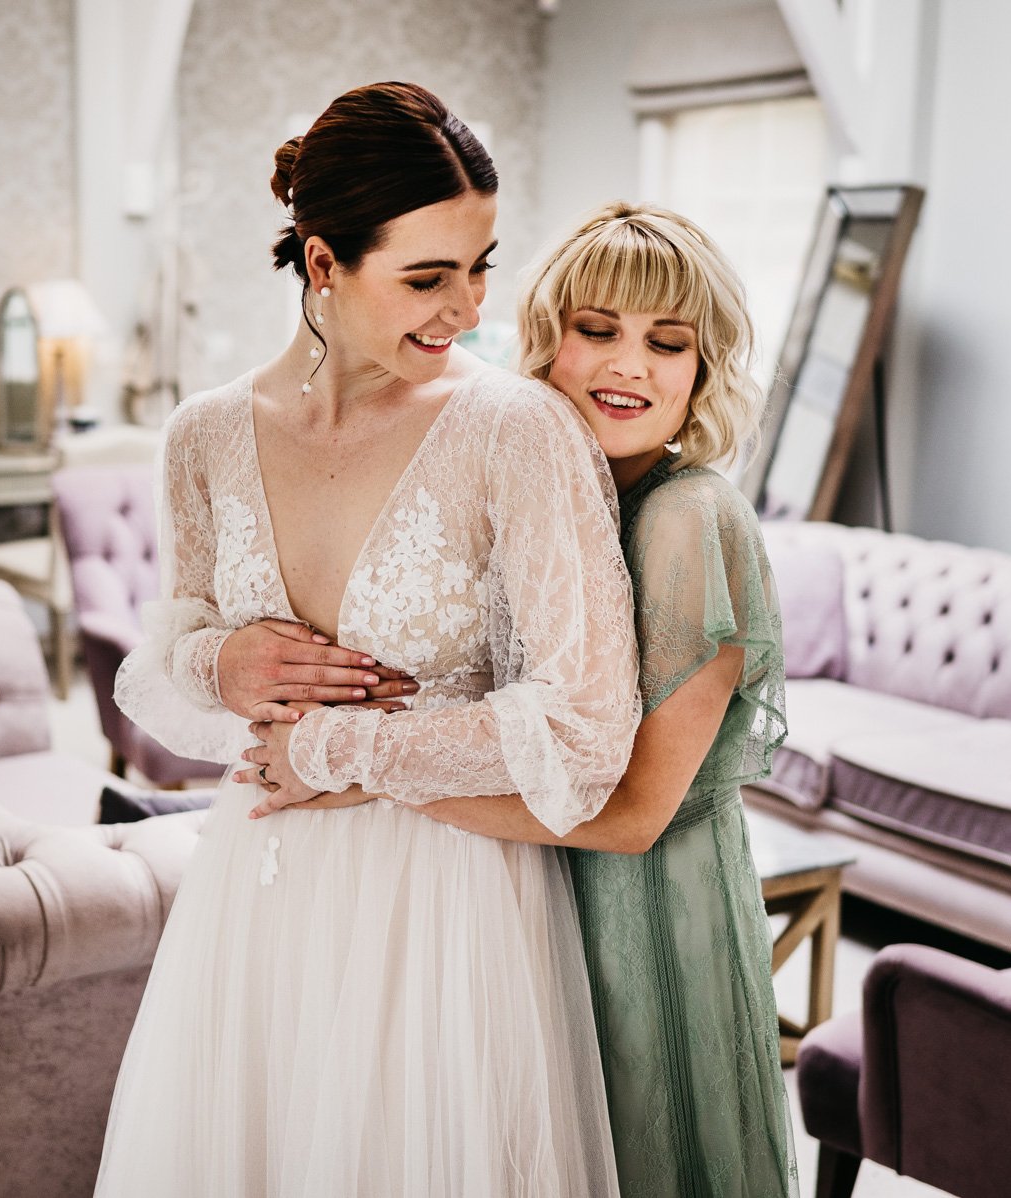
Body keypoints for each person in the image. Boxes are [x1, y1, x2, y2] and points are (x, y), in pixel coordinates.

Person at [96, 82, 639, 1196]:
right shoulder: (204, 435)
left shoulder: (517, 431)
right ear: (323, 264)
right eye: (428, 277)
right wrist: (221, 662)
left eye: (483, 264)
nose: (469, 308)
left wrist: (343, 752)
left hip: (448, 909)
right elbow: (154, 669)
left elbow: (587, 724)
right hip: (257, 895)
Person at [242, 201, 798, 1196]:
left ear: (701, 371)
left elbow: (630, 816)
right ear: (549, 344)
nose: (631, 365)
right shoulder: (546, 491)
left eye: (667, 344)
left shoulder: (685, 519)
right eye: (599, 331)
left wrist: (365, 775)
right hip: (538, 900)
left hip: (652, 919)